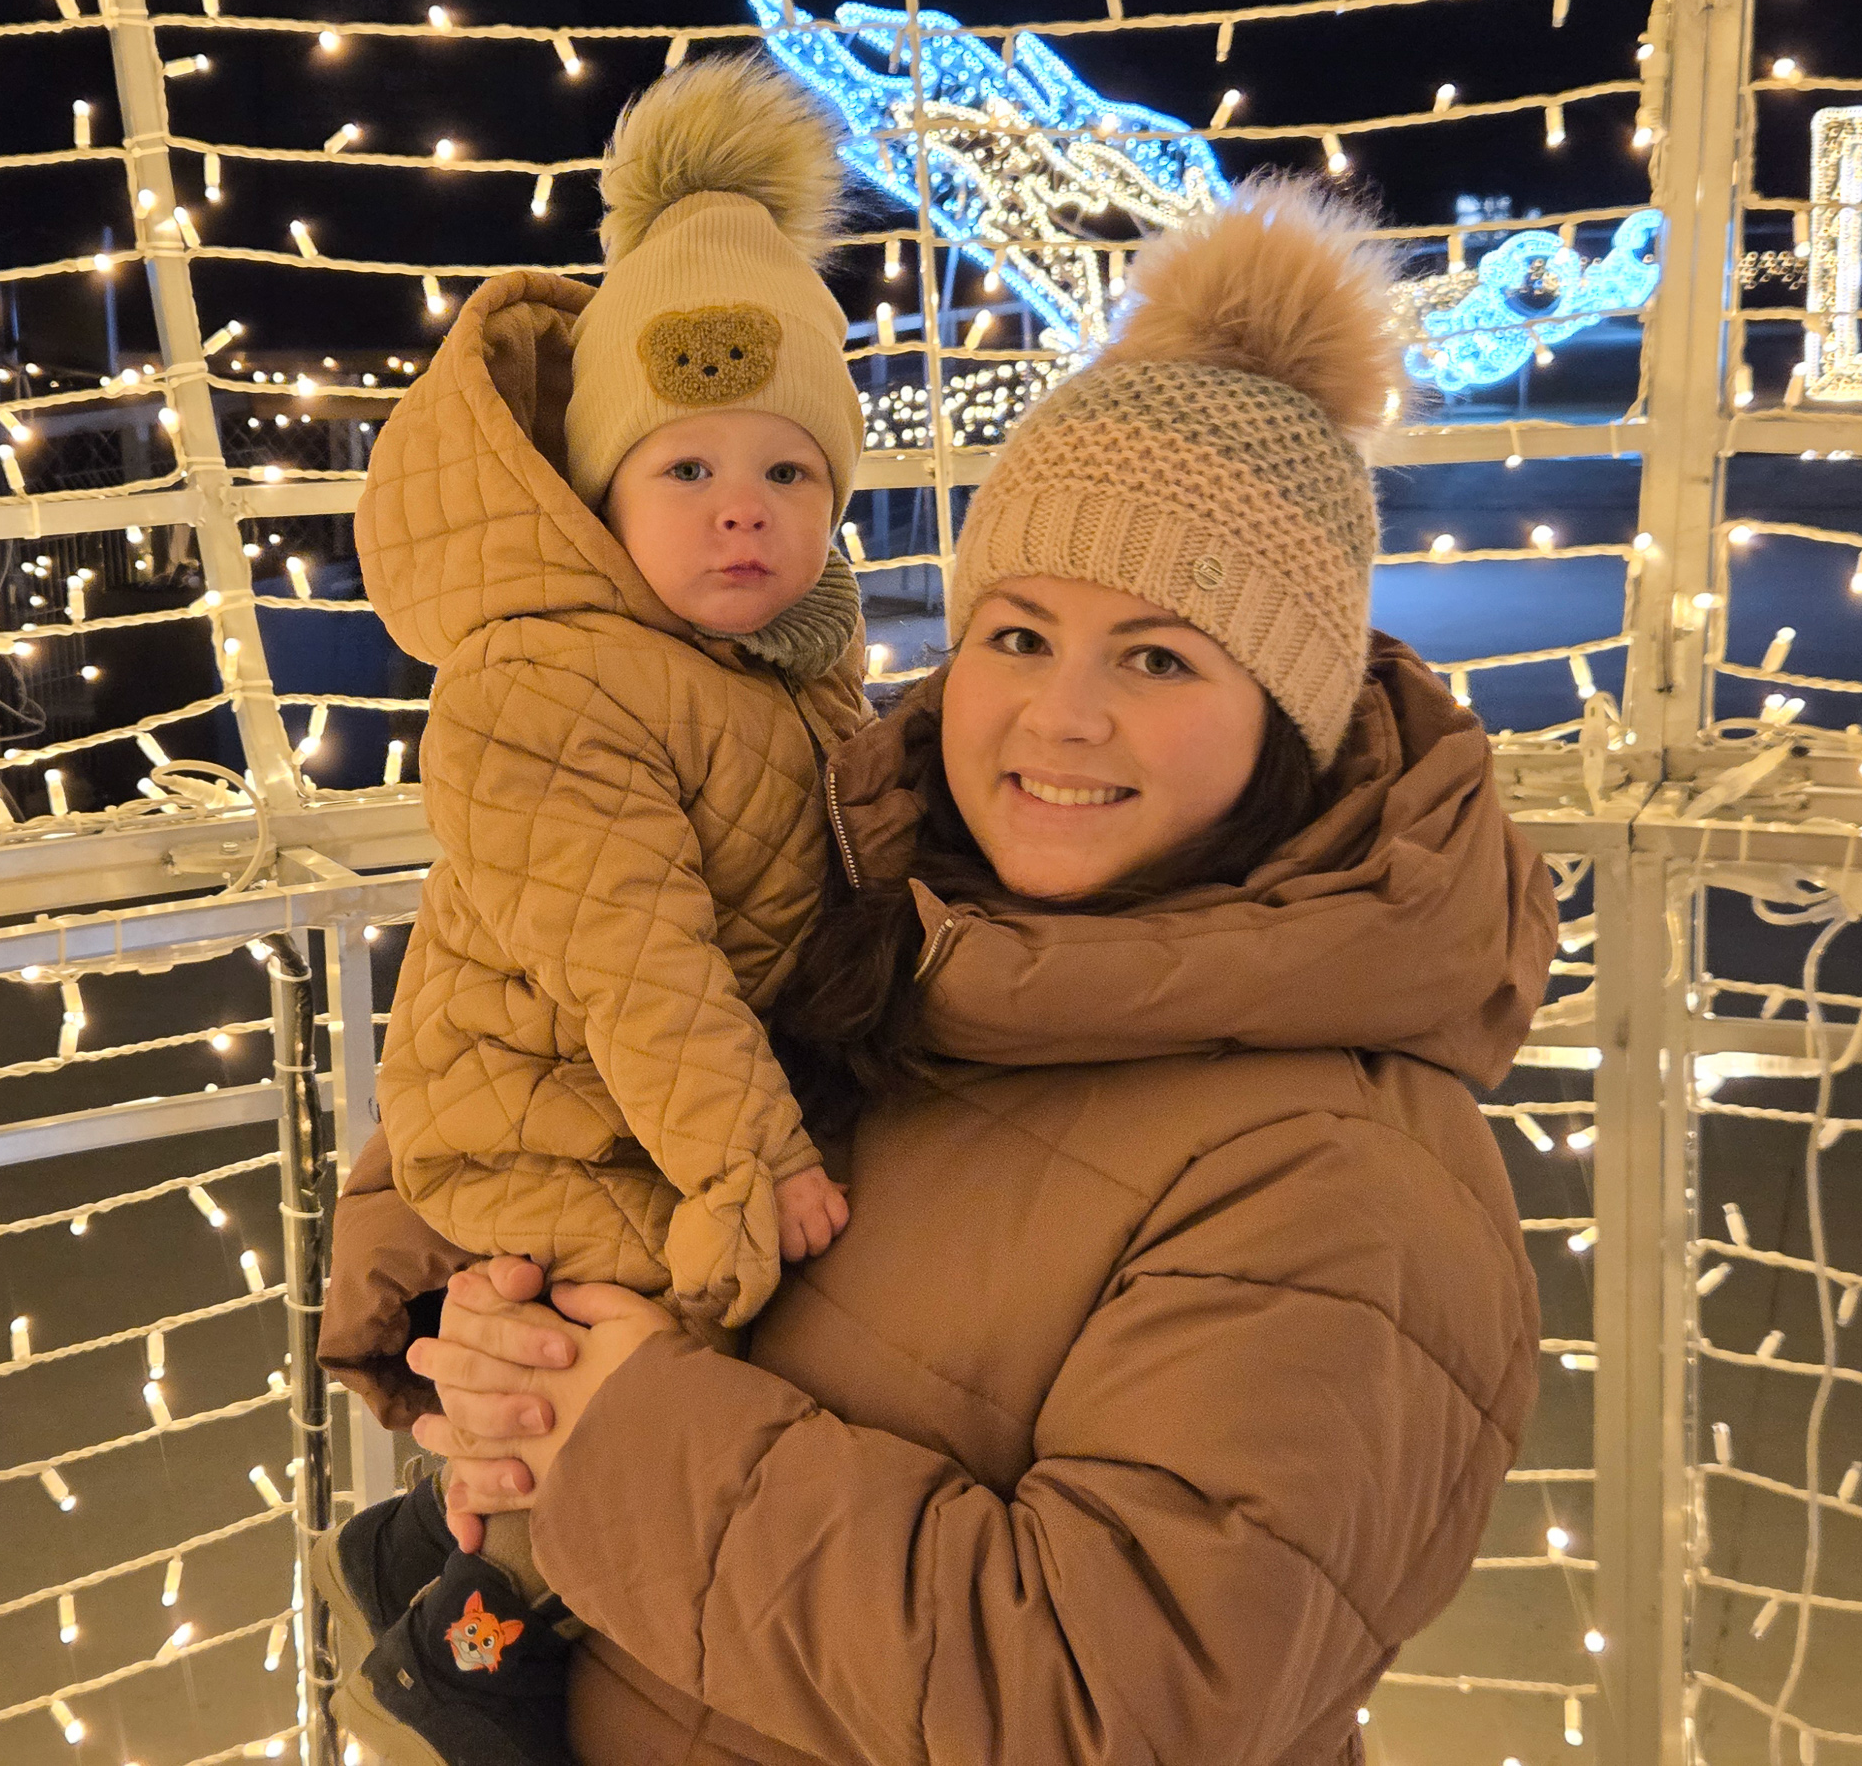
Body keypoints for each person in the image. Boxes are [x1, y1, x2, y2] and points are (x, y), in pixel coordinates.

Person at [326, 179, 1560, 1765]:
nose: (1062, 717)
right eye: (1020, 635)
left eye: (1159, 656)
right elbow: (534, 1072)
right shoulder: (893, 928)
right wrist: (479, 1327)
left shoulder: (1339, 1183)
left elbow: (1109, 1707)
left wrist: (617, 1431)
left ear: (1289, 719)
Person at [311, 56, 872, 1765]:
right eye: (685, 468)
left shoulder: (780, 676)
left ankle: (418, 1545)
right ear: (600, 496)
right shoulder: (549, 680)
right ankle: (471, 1642)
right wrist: (749, 1168)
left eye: (788, 474)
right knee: (646, 1368)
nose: (742, 510)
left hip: (629, 1096)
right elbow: (639, 962)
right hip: (548, 1112)